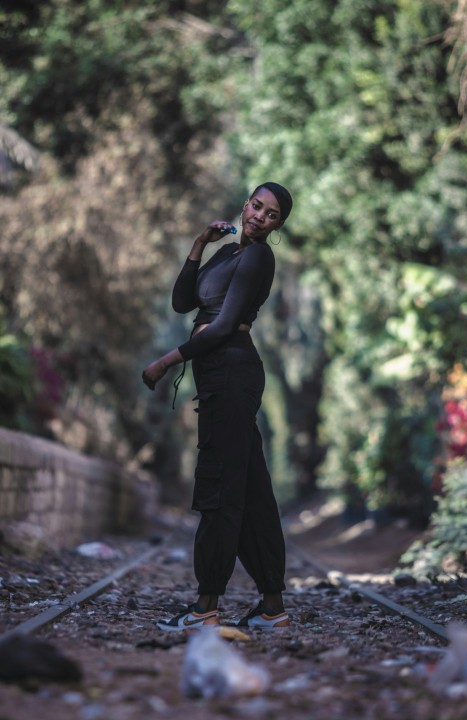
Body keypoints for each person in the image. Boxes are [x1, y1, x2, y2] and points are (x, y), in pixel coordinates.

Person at [142, 182, 293, 630]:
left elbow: (225, 325)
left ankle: (206, 606)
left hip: (232, 373)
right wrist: (198, 245)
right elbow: (182, 302)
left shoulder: (258, 257)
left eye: (271, 215)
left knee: (220, 489)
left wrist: (168, 361)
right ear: (246, 204)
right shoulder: (227, 253)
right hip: (220, 377)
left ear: (278, 225)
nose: (259, 217)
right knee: (252, 494)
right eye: (257, 206)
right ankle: (272, 607)